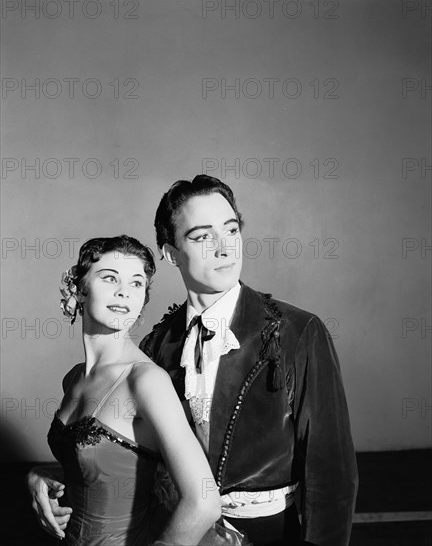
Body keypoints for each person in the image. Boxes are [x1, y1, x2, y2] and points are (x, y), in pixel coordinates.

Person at [30, 176, 358, 545]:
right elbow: (124, 456)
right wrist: (46, 474)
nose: (224, 249)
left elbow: (332, 473)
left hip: (270, 535)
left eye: (231, 230)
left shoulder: (297, 331)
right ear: (170, 253)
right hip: (174, 526)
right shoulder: (158, 343)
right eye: (202, 236)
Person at [32, 235, 222, 545]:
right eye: (109, 278)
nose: (124, 291)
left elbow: (204, 501)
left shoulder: (146, 381)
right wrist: (39, 474)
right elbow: (103, 469)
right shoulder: (74, 378)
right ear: (78, 289)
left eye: (136, 283)